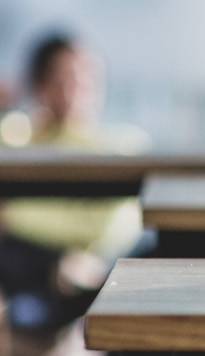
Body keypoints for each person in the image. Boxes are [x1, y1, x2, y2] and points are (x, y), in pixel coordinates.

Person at [0, 33, 145, 337]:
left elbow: (106, 228)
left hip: (86, 279)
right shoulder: (19, 138)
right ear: (39, 84)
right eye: (62, 79)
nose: (76, 92)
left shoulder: (118, 147)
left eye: (86, 80)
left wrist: (12, 217)